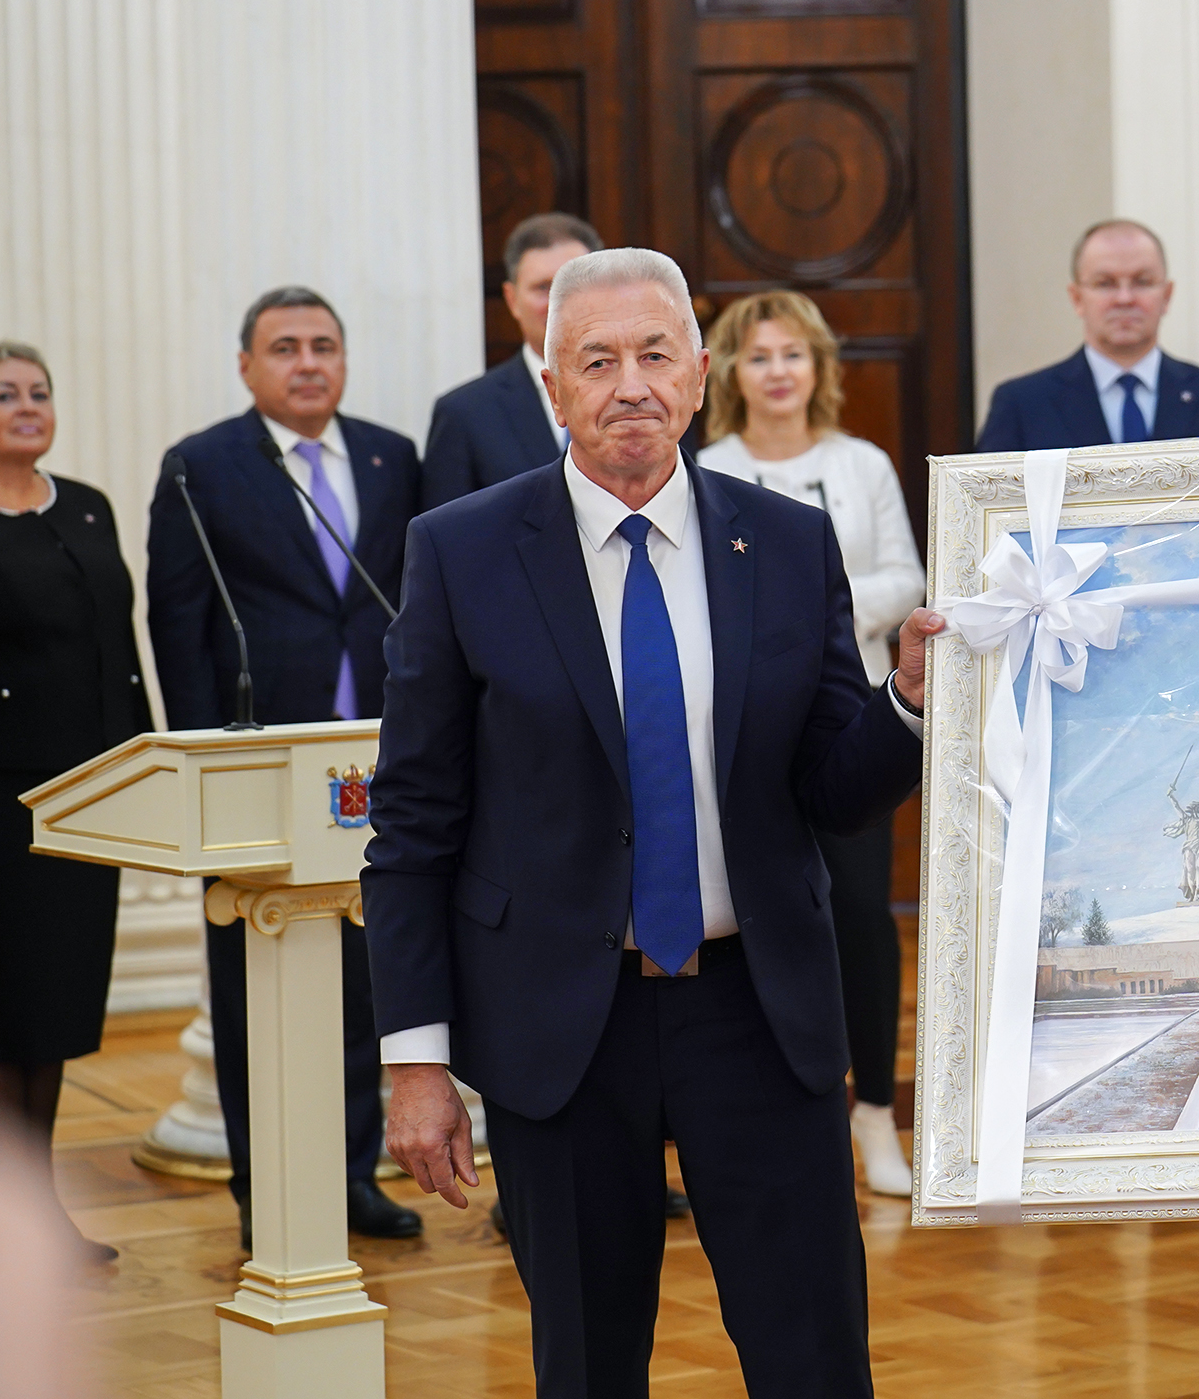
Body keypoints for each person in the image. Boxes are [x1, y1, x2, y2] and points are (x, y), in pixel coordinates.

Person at [366, 248, 940, 1399]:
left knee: (816, 1359)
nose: (628, 383)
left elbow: (830, 790)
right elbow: (414, 821)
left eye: (654, 354)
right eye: (596, 359)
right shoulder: (464, 550)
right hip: (560, 1027)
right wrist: (416, 1064)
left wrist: (907, 705)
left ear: (698, 375)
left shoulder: (785, 544)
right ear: (552, 388)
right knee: (585, 1365)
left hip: (758, 1014)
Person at [145, 287, 424, 1248]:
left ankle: (350, 1175)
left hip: (375, 765)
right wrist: (197, 764)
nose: (308, 362)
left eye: (324, 345)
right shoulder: (201, 466)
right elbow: (176, 622)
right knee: (252, 979)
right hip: (260, 765)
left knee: (364, 979)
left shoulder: (393, 455)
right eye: (285, 347)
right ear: (246, 365)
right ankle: (264, 1185)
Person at [696, 289, 924, 1199]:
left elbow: (906, 574)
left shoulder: (861, 462)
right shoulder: (706, 464)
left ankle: (875, 1113)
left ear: (820, 367)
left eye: (794, 354)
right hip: (738, 730)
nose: (779, 371)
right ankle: (777, 1115)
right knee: (753, 917)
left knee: (863, 917)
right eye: (759, 356)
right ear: (729, 373)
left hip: (851, 716)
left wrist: (806, 612)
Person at [0, 343, 153, 1264]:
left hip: (81, 800)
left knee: (52, 1006)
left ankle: (35, 1209)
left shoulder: (90, 505)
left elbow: (119, 645)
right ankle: (23, 1215)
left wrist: (150, 775)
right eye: (4, 395)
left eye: (39, 392)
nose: (27, 406)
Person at [975, 219, 1199, 451]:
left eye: (1142, 282)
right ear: (1076, 298)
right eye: (1105, 283)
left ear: (1167, 295)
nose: (1124, 298)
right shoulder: (1022, 405)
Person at [421, 212, 600, 509]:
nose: (559, 302)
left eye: (573, 284)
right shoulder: (464, 415)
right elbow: (447, 542)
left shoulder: (648, 394)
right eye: (543, 288)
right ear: (512, 299)